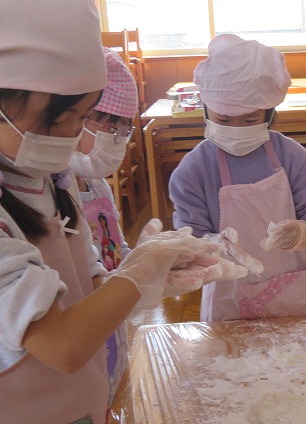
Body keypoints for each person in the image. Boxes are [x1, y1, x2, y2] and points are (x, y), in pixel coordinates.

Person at [0, 1, 247, 422]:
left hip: (82, 400)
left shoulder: (53, 179)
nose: (74, 137)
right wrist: (140, 270)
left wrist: (136, 277)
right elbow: (62, 346)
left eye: (82, 118)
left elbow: (87, 282)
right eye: (59, 120)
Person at [169, 34, 306, 321]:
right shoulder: (193, 171)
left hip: (295, 287)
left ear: (269, 114)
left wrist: (304, 232)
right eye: (224, 120)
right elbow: (190, 240)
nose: (237, 128)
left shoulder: (293, 157)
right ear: (206, 110)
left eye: (250, 120)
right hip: (229, 293)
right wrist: (212, 246)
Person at [67, 46, 139, 406]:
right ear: (76, 118)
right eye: (110, 126)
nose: (118, 137)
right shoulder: (55, 192)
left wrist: (148, 261)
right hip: (79, 333)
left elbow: (117, 251)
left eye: (125, 128)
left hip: (112, 328)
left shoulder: (96, 185)